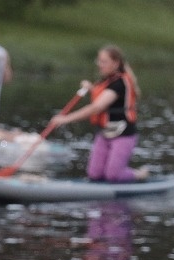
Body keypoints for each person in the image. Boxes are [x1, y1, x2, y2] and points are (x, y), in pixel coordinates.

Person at [48, 45, 148, 183]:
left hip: (123, 134)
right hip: (105, 132)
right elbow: (101, 94)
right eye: (99, 61)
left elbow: (96, 108)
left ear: (116, 63)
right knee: (94, 175)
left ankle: (139, 175)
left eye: (104, 62)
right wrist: (91, 88)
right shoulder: (106, 81)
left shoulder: (119, 83)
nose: (100, 65)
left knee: (113, 176)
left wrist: (65, 119)